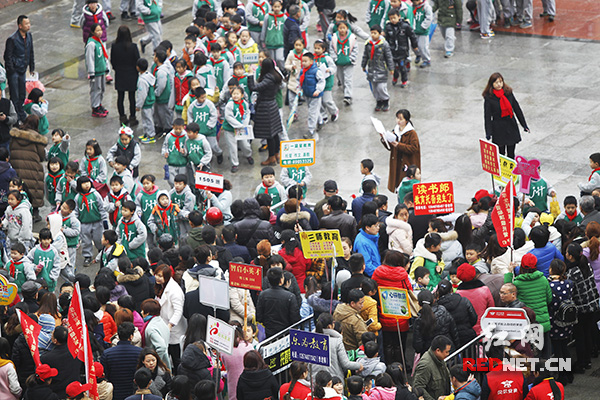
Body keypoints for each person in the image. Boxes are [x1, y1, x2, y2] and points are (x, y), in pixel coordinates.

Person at [505, 253, 552, 358]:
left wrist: (509, 272)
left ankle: (535, 373)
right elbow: (549, 299)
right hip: (544, 323)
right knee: (546, 354)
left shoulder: (518, 283)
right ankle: (548, 373)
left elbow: (506, 291)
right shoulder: (543, 280)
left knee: (532, 355)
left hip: (528, 324)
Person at [565, 242, 600, 373]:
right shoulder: (586, 265)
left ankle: (582, 363)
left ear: (570, 256)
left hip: (580, 308)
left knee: (580, 336)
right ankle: (588, 360)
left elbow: (570, 291)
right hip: (592, 305)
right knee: (587, 333)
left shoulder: (571, 272)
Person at [482, 72, 529, 159]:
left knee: (511, 153)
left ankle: (511, 172)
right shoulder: (489, 98)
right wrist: (488, 132)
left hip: (510, 125)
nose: (499, 84)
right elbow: (487, 116)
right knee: (501, 154)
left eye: (500, 81)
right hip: (498, 128)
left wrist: (524, 125)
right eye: (496, 82)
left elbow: (517, 109)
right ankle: (502, 172)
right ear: (492, 84)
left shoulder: (508, 93)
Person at [248, 57, 284, 165]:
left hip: (266, 107)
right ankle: (276, 154)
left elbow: (253, 87)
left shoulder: (268, 79)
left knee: (269, 135)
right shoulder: (275, 76)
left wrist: (250, 75)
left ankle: (271, 158)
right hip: (272, 105)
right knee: (275, 133)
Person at [154, 264, 187, 373]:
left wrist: (170, 325)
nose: (157, 278)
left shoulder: (174, 291)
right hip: (163, 325)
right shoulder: (162, 286)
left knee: (176, 356)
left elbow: (178, 311)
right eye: (157, 275)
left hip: (174, 329)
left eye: (160, 276)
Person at [3, 15, 35, 122]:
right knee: (15, 95)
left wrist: (31, 66)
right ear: (20, 26)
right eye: (26, 24)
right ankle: (16, 116)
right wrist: (11, 69)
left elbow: (31, 52)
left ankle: (21, 115)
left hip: (22, 69)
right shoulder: (12, 39)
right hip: (14, 71)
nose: (29, 26)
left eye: (29, 23)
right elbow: (7, 56)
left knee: (22, 94)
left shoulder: (29, 36)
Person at [101, 322, 143, 400]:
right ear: (131, 336)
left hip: (114, 393)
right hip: (133, 392)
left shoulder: (107, 354)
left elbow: (105, 375)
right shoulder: (140, 352)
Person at [382, 109, 421, 193]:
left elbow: (414, 148)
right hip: (397, 162)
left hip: (407, 163)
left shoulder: (411, 133)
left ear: (406, 120)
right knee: (398, 185)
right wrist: (384, 139)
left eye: (401, 119)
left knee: (406, 187)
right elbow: (390, 147)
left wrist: (398, 145)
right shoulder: (395, 130)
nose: (398, 121)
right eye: (397, 118)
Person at [39, 326, 83, 399]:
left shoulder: (47, 358)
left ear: (55, 340)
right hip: (75, 390)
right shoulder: (77, 352)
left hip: (58, 392)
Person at [256, 267, 300, 338]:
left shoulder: (263, 295)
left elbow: (259, 316)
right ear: (281, 280)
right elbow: (295, 319)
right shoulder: (290, 296)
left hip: (268, 333)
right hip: (285, 333)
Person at [111, 26, 140, 126]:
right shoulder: (133, 47)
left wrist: (117, 69)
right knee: (132, 97)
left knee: (120, 97)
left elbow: (113, 61)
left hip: (120, 73)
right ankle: (132, 117)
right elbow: (137, 60)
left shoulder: (114, 46)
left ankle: (122, 117)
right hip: (131, 74)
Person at [362, 25, 394, 112]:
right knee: (375, 88)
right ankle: (378, 101)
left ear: (379, 34)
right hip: (372, 69)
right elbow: (365, 56)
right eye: (371, 33)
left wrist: (391, 68)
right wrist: (363, 65)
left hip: (381, 69)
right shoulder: (368, 44)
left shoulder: (384, 44)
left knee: (381, 87)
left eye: (375, 33)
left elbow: (388, 57)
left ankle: (385, 100)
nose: (373, 35)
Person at [436, 280, 477, 347]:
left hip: (449, 341)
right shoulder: (464, 300)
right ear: (452, 290)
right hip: (467, 336)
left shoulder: (438, 307)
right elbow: (473, 318)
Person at [455, 263, 494, 335]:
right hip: (483, 329)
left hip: (466, 332)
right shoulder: (484, 290)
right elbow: (491, 309)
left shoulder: (458, 293)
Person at [385, 8, 418, 87]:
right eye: (391, 18)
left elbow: (412, 36)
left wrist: (415, 46)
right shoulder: (388, 27)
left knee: (402, 67)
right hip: (392, 51)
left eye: (394, 18)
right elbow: (386, 39)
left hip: (402, 51)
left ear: (399, 16)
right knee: (393, 67)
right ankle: (395, 77)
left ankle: (404, 80)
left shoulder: (405, 26)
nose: (393, 20)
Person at [412, 335, 452, 400]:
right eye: (446, 352)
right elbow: (418, 387)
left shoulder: (439, 359)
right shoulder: (425, 365)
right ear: (438, 351)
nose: (448, 354)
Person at [221, 323, 254, 400]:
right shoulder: (248, 346)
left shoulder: (225, 350)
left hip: (233, 381)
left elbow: (224, 363)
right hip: (249, 381)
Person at [85, 23, 110, 118]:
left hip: (102, 70)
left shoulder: (99, 42)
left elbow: (104, 55)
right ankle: (95, 107)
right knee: (96, 89)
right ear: (92, 32)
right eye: (97, 31)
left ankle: (99, 104)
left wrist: (106, 67)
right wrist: (91, 72)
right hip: (96, 71)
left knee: (102, 88)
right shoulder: (91, 44)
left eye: (100, 30)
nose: (100, 32)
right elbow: (90, 58)